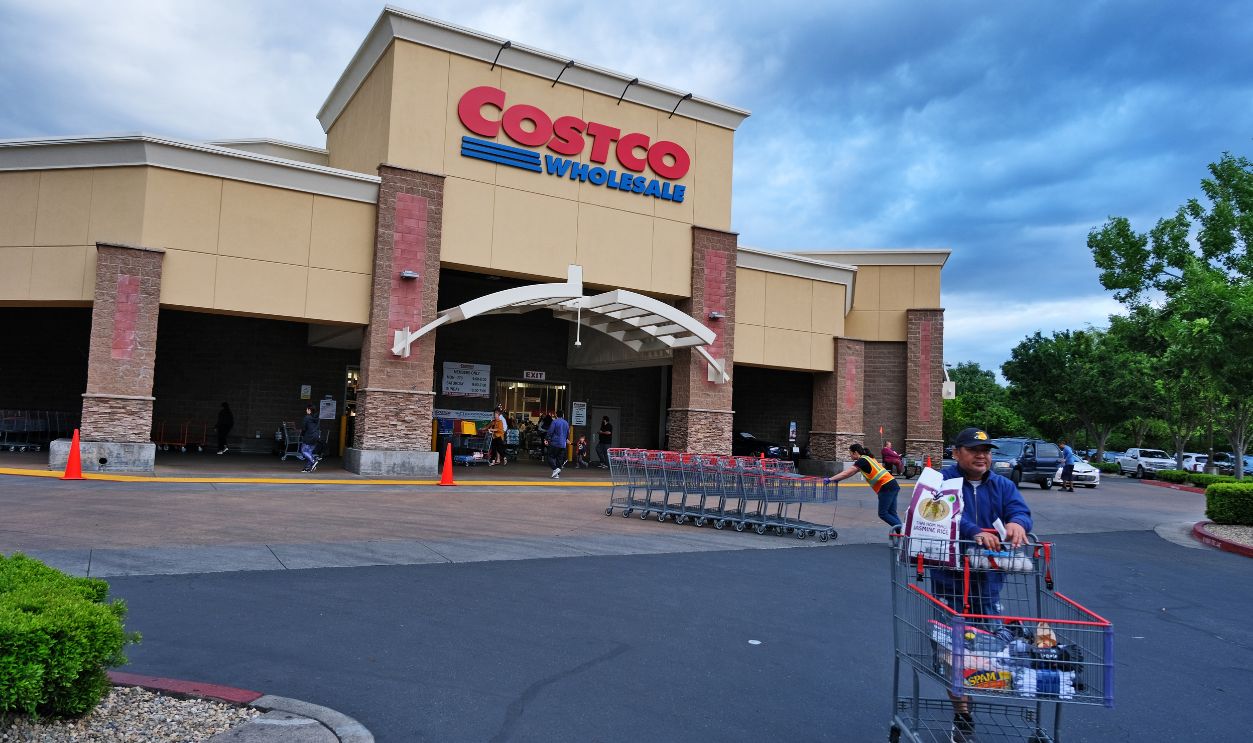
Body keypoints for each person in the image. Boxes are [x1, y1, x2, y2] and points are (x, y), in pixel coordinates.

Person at [936, 427, 1033, 742]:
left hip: (988, 583)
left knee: (983, 653)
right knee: (954, 653)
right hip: (949, 581)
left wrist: (1018, 523)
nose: (982, 456)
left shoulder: (1003, 485)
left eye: (987, 451)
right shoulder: (942, 481)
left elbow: (1019, 509)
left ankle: (967, 701)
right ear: (956, 453)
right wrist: (974, 530)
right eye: (974, 450)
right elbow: (941, 513)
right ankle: (962, 715)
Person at [825, 443, 902, 529]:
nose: (850, 456)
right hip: (892, 484)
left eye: (850, 453)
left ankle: (903, 531)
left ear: (855, 453)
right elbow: (850, 473)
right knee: (892, 513)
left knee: (883, 514)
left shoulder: (862, 461)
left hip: (885, 487)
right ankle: (903, 535)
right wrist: (836, 479)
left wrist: (830, 479)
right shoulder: (868, 458)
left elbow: (847, 472)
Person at [545, 410, 570, 479]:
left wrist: (546, 439)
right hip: (563, 444)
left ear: (556, 415)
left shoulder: (555, 422)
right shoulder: (566, 423)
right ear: (563, 415)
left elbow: (550, 431)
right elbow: (568, 433)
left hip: (555, 443)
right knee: (559, 459)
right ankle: (557, 475)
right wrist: (566, 439)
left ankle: (555, 469)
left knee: (549, 456)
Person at [299, 404, 321, 473]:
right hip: (316, 436)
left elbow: (304, 428)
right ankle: (307, 467)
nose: (306, 410)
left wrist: (302, 434)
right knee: (309, 452)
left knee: (303, 451)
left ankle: (313, 461)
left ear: (309, 410)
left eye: (307, 409)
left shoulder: (307, 417)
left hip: (309, 436)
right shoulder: (317, 418)